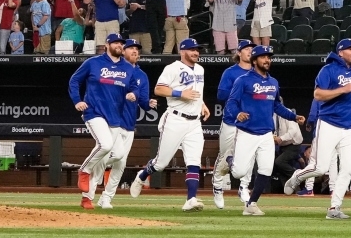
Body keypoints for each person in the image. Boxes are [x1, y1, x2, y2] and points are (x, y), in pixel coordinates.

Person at [283, 38, 351, 219]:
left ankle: (334, 208)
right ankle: (298, 177)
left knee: (347, 169)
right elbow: (318, 94)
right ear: (340, 52)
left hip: (349, 128)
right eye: (350, 49)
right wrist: (342, 90)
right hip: (328, 124)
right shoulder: (328, 70)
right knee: (320, 168)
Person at [132, 38, 209, 212]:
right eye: (192, 50)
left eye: (197, 50)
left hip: (194, 122)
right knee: (160, 163)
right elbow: (159, 89)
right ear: (182, 51)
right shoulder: (172, 68)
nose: (196, 52)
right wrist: (180, 93)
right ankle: (142, 175)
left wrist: (202, 104)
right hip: (175, 119)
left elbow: (196, 92)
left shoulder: (200, 69)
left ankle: (191, 199)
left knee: (194, 161)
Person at [228, 45, 306, 216]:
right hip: (247, 132)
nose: (267, 60)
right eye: (263, 57)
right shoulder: (243, 80)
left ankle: (251, 204)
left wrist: (293, 117)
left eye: (268, 57)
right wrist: (237, 113)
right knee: (239, 172)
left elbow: (277, 105)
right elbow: (231, 102)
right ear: (254, 60)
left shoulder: (273, 82)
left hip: (266, 134)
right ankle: (229, 160)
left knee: (265, 170)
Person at [68, 32, 141, 209]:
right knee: (105, 145)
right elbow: (74, 81)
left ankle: (87, 197)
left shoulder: (128, 68)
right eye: (115, 42)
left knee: (117, 155)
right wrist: (77, 101)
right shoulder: (93, 63)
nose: (118, 45)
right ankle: (84, 170)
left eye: (120, 43)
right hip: (94, 112)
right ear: (107, 45)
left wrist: (133, 94)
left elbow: (135, 87)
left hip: (115, 117)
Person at [96, 39, 155, 208]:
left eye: (137, 49)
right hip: (111, 120)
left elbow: (142, 101)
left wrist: (148, 103)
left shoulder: (142, 75)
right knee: (113, 154)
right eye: (131, 48)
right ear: (123, 51)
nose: (135, 51)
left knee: (120, 163)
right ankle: (91, 174)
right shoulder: (114, 69)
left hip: (128, 123)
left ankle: (106, 197)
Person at [212, 40, 255, 209]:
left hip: (250, 122)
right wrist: (241, 89)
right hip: (231, 120)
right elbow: (221, 94)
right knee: (224, 155)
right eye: (246, 49)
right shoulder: (230, 72)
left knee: (249, 156)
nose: (250, 51)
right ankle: (217, 186)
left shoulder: (257, 73)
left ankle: (244, 187)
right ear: (239, 53)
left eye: (252, 49)